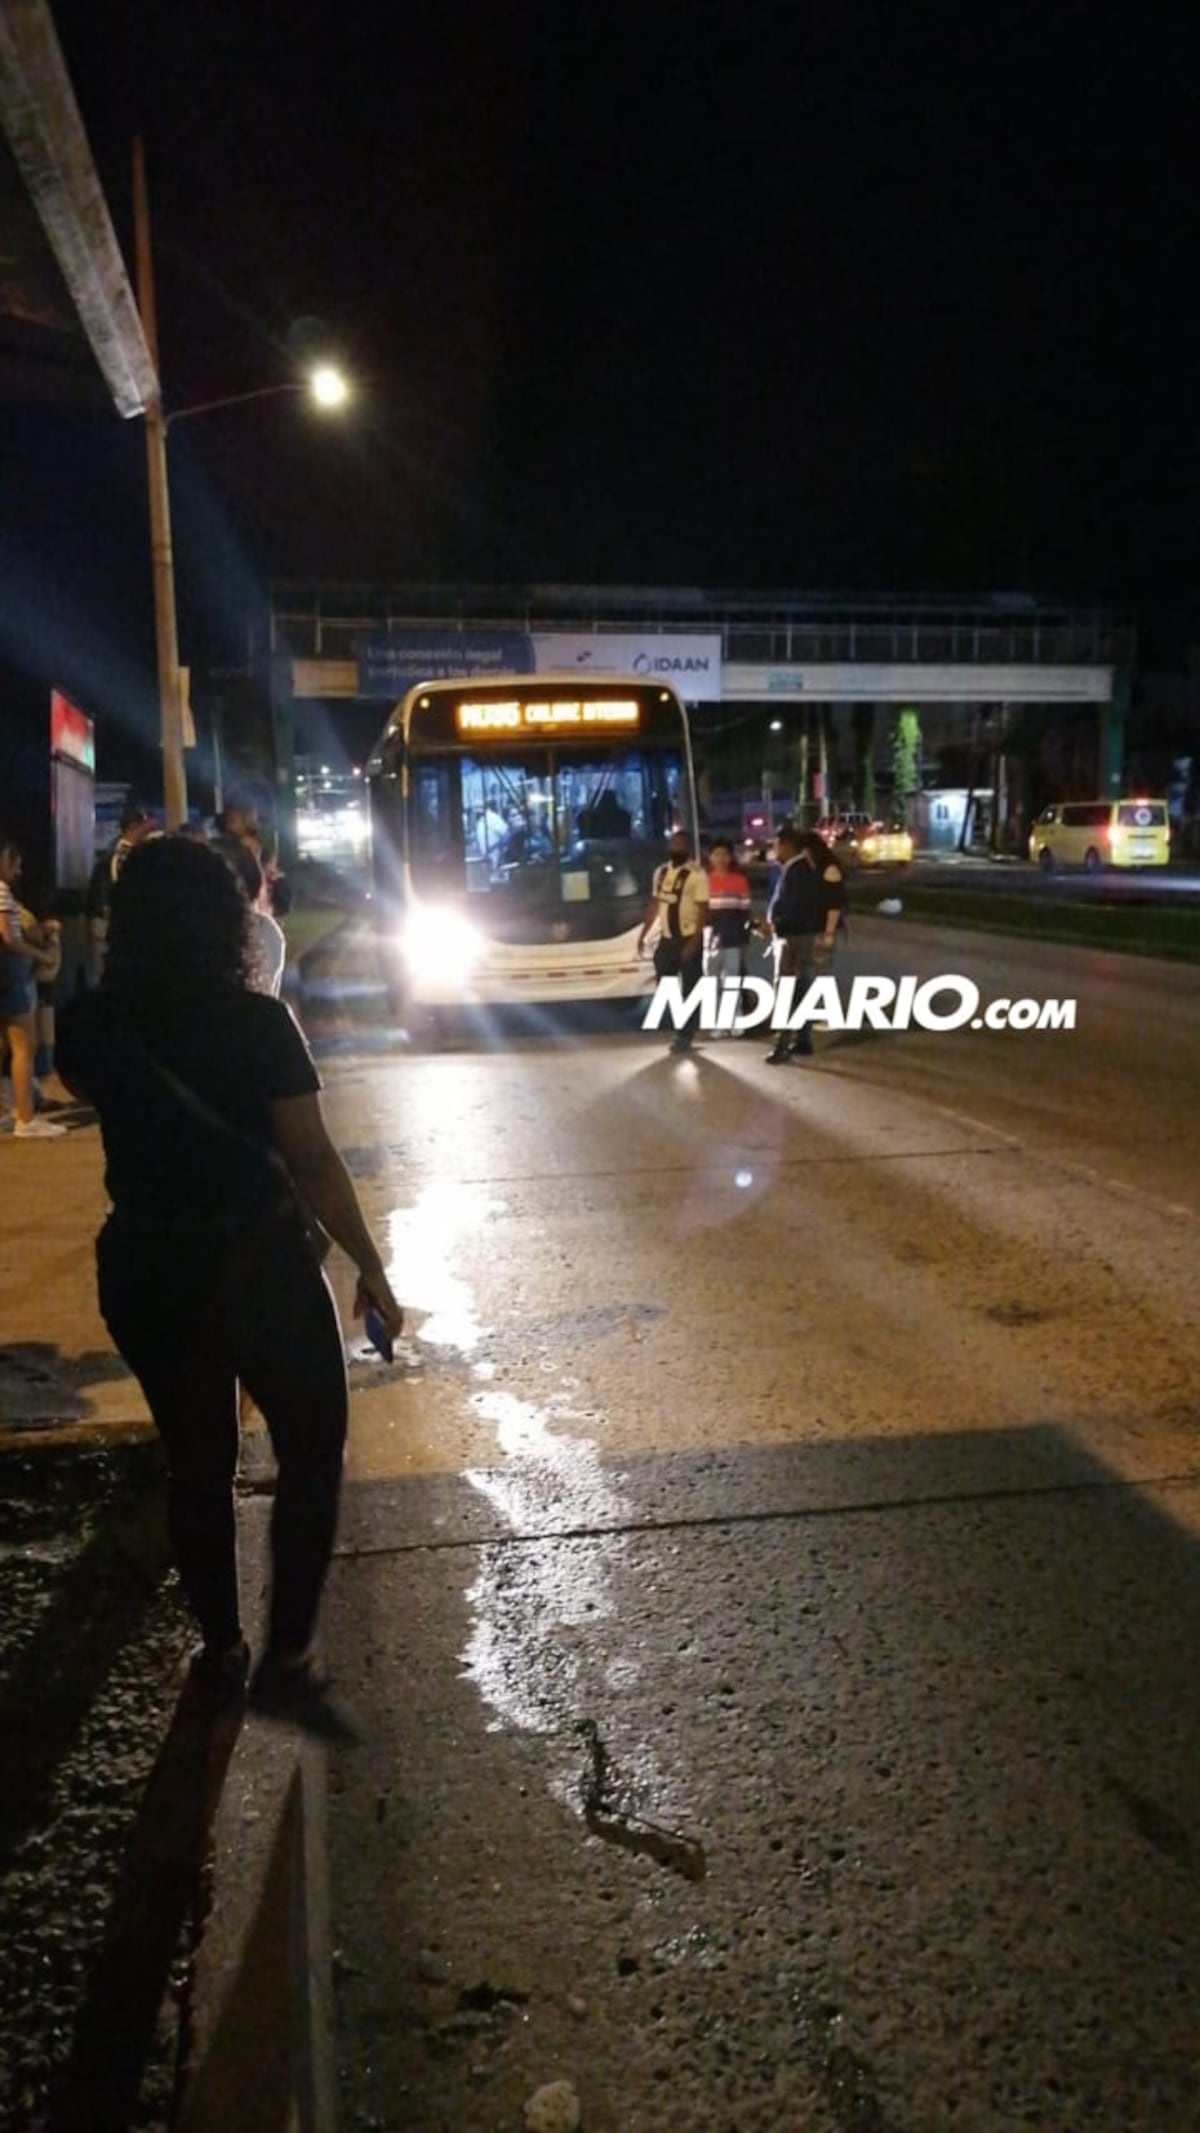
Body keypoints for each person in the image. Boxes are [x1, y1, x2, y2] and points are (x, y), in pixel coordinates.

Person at [56, 837, 404, 1728]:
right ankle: (286, 1653)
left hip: (148, 1269)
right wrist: (368, 1261)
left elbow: (86, 1082)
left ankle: (221, 1648)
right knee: (311, 1449)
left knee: (198, 1463)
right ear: (229, 918)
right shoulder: (259, 1024)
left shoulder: (90, 1025)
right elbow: (315, 1162)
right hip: (259, 1269)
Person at [0, 837, 68, 1139]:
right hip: (7, 976)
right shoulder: (1, 892)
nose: (19, 870)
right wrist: (41, 954)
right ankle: (25, 1118)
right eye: (15, 862)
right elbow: (10, 939)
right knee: (23, 1047)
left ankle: (7, 1113)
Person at [764, 824, 846, 1064]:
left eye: (776, 845)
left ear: (788, 845)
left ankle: (783, 1044)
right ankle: (802, 1039)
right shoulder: (797, 868)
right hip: (799, 937)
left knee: (788, 991)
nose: (774, 850)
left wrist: (775, 926)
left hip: (795, 939)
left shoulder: (798, 870)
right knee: (801, 990)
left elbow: (796, 908)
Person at [636, 829, 709, 1054]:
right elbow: (655, 904)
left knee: (691, 985)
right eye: (673, 844)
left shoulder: (696, 874)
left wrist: (695, 943)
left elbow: (703, 910)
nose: (676, 848)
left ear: (687, 848)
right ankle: (681, 1023)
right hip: (667, 940)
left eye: (680, 844)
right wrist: (643, 934)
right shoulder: (661, 872)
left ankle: (685, 1034)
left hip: (687, 938)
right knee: (665, 984)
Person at [704, 840, 753, 1033]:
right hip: (710, 940)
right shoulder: (704, 880)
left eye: (725, 854)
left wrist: (745, 940)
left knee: (732, 981)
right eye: (717, 854)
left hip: (733, 937)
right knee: (712, 983)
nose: (721, 859)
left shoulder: (739, 881)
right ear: (711, 857)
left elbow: (745, 913)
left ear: (731, 857)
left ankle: (736, 1021)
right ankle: (717, 1024)